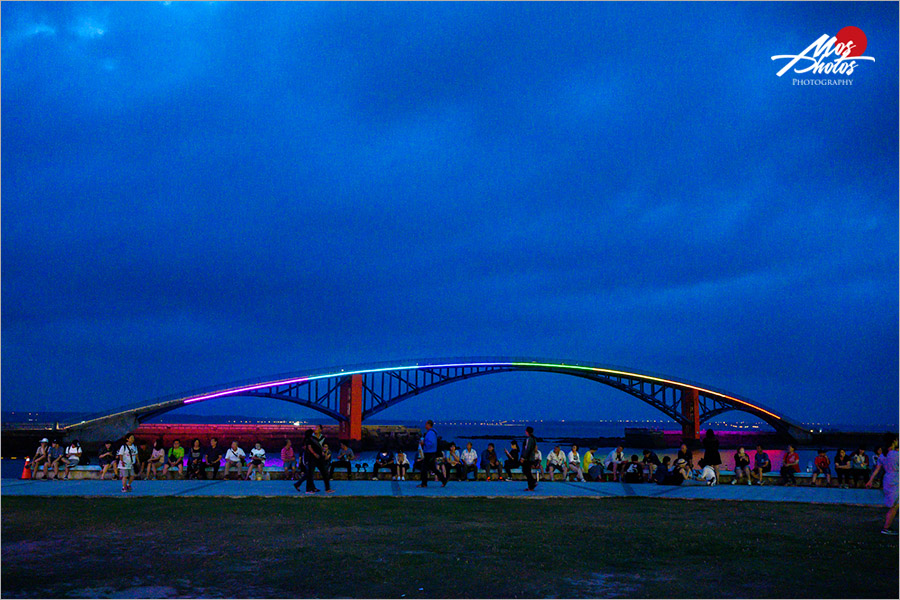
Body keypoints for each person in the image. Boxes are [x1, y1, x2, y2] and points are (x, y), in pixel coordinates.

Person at [866, 433, 898, 535]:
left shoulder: (883, 455)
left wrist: (870, 480)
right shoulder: (896, 454)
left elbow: (877, 469)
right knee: (895, 506)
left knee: (894, 505)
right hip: (896, 479)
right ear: (894, 441)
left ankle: (886, 527)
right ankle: (886, 528)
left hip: (888, 479)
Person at [307, 427, 333, 492]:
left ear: (320, 430)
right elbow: (309, 447)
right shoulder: (311, 438)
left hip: (320, 458)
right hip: (312, 458)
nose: (315, 429)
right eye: (315, 428)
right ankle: (309, 489)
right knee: (310, 473)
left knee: (325, 472)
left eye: (317, 428)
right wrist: (314, 454)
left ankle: (328, 488)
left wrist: (326, 454)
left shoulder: (323, 438)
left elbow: (325, 447)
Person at [520, 426, 537, 491]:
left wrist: (523, 457)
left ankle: (532, 483)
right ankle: (531, 486)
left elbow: (527, 449)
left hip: (528, 458)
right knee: (527, 471)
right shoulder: (533, 439)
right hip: (531, 457)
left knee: (526, 471)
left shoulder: (529, 439)